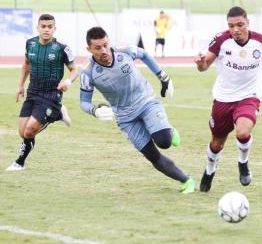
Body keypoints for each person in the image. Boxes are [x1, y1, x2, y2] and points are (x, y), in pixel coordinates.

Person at [194, 6, 262, 192]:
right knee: (217, 143)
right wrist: (201, 63)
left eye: (240, 25)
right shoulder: (220, 40)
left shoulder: (261, 41)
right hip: (223, 98)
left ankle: (243, 163)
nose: (235, 29)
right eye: (231, 26)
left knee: (243, 133)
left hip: (249, 96)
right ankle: (209, 170)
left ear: (248, 23)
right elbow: (204, 67)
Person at [80, 27, 195, 194]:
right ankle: (187, 180)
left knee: (164, 141)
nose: (104, 50)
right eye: (97, 48)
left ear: (109, 41)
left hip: (146, 101)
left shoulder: (124, 51)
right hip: (126, 118)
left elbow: (145, 55)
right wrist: (94, 110)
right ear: (89, 49)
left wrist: (162, 76)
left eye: (105, 45)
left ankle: (169, 131)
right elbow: (84, 102)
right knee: (152, 156)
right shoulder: (88, 73)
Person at [6, 14, 78, 171]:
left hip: (52, 93)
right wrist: (20, 86)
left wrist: (67, 81)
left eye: (50, 26)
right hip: (33, 92)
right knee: (22, 132)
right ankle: (58, 114)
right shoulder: (30, 44)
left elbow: (74, 71)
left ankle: (19, 163)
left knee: (30, 130)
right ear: (38, 27)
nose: (46, 29)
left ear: (54, 28)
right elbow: (26, 65)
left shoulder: (62, 48)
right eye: (43, 26)